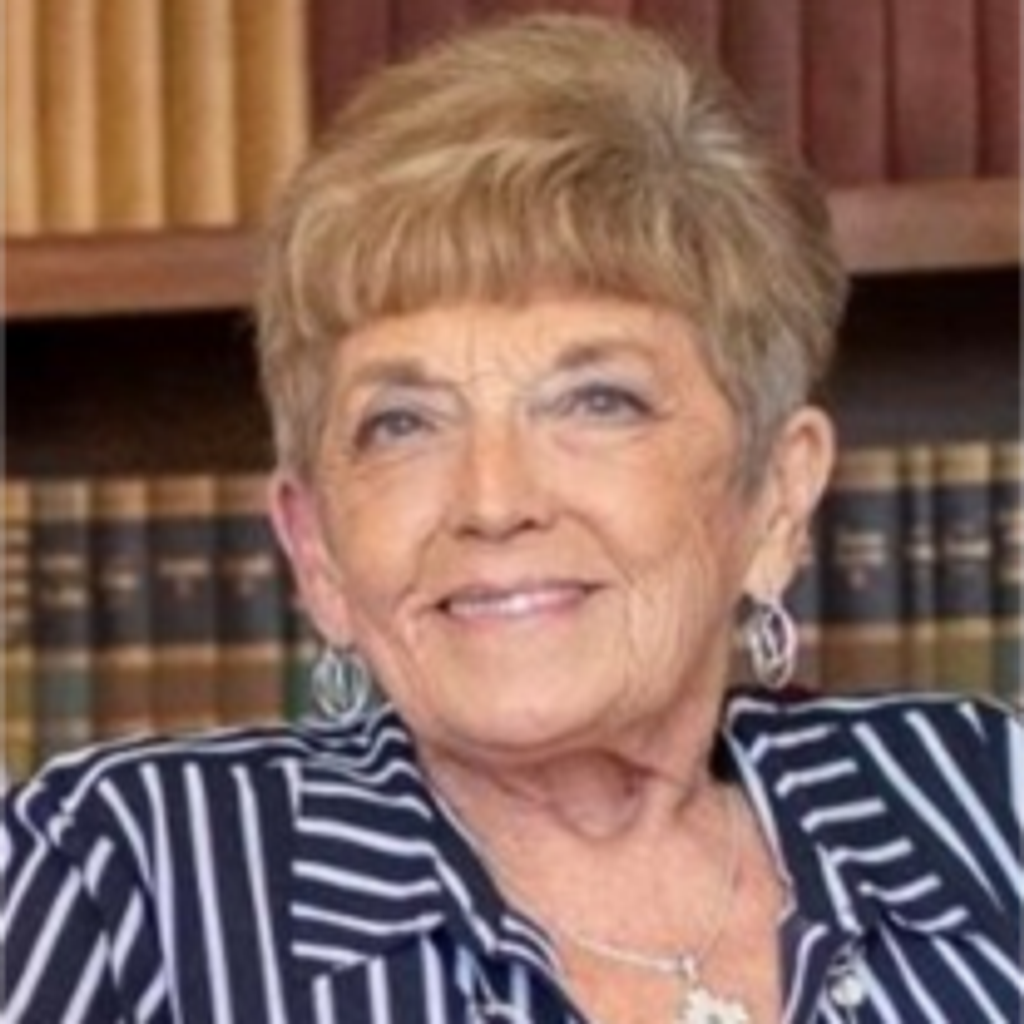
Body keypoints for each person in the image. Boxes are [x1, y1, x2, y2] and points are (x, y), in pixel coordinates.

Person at [2, 13, 1022, 1024]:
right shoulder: (118, 879)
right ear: (314, 548)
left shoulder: (984, 804)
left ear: (777, 496)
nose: (493, 502)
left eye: (597, 401)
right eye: (402, 423)